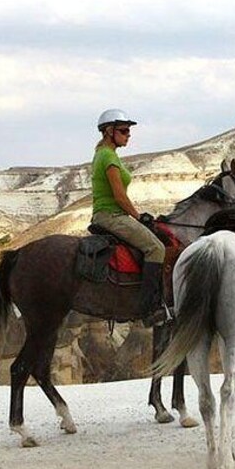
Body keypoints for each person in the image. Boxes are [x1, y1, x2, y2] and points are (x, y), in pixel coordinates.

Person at [91, 108, 170, 324]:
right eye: (124, 131)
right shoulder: (108, 157)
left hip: (106, 214)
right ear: (109, 131)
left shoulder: (104, 154)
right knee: (156, 248)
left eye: (128, 131)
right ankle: (147, 309)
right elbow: (119, 196)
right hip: (111, 215)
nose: (128, 135)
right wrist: (137, 216)